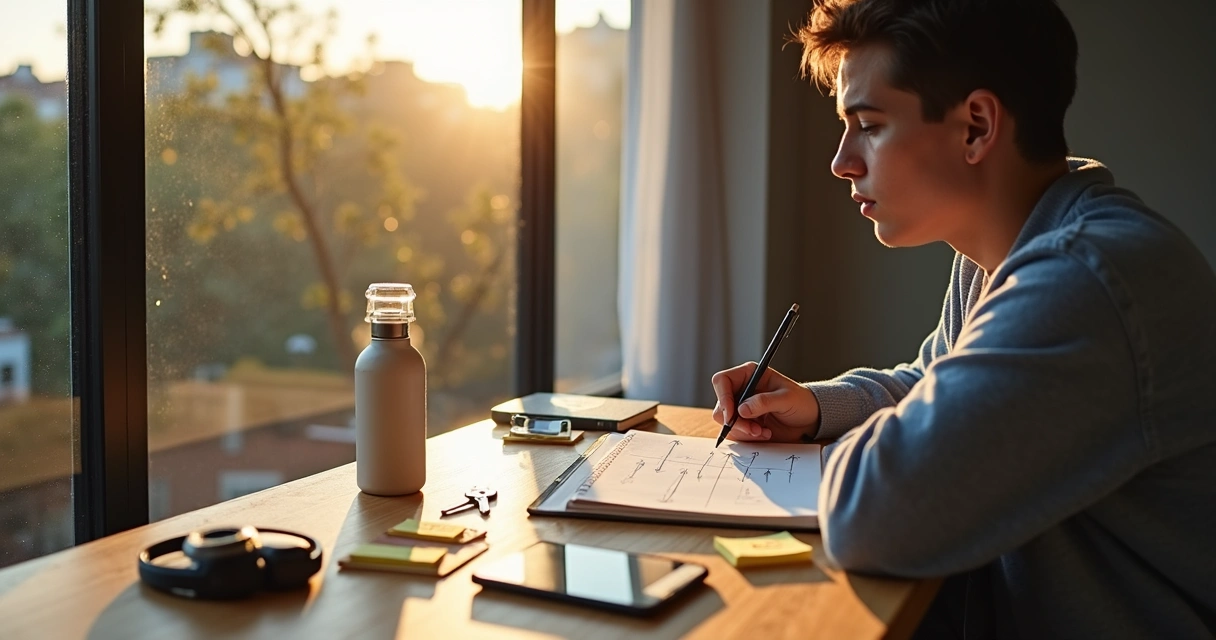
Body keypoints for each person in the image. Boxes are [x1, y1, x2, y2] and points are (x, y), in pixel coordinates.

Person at [709, 0, 1216, 637]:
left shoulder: (1082, 281)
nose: (842, 161)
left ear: (976, 126)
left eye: (868, 125)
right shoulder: (1008, 251)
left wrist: (875, 456)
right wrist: (815, 408)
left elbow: (876, 517)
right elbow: (933, 383)